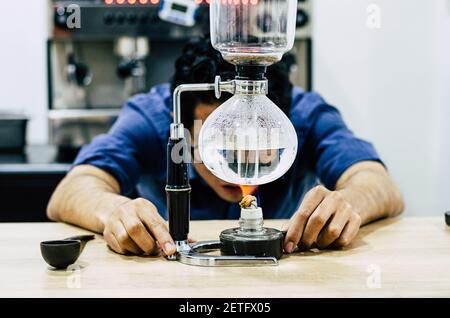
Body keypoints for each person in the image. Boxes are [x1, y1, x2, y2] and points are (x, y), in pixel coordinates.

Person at [47, 38, 404, 256]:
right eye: (220, 139)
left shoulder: (304, 113)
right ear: (186, 129)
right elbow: (71, 191)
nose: (241, 165)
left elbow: (378, 184)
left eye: (256, 141)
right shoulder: (156, 116)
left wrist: (348, 205)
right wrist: (114, 211)